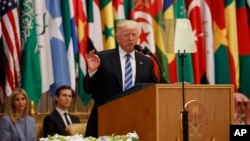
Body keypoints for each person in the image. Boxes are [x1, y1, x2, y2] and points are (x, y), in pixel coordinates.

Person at [84, 20, 159, 137]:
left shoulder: (146, 61)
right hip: (106, 118)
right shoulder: (103, 58)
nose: (130, 38)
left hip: (137, 121)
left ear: (138, 36)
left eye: (134, 34)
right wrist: (92, 72)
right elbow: (88, 89)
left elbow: (155, 89)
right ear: (117, 37)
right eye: (126, 35)